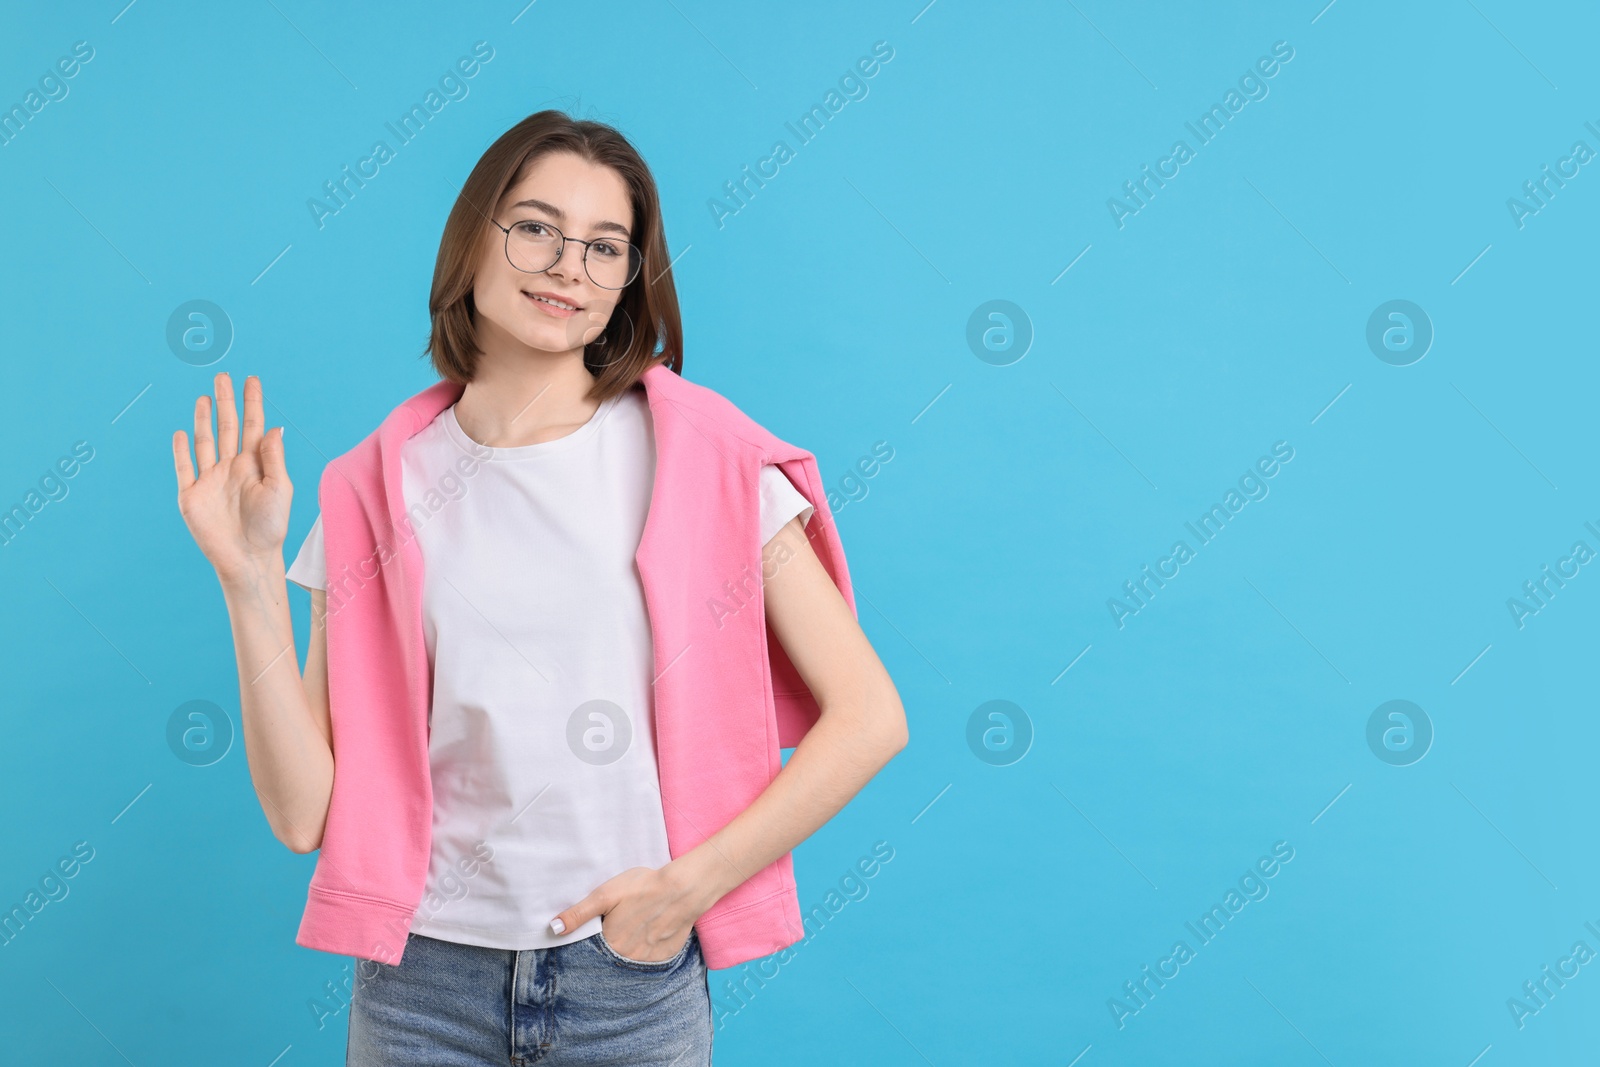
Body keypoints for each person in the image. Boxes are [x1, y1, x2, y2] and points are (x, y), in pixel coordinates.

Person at [170, 109, 908, 1065]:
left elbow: (870, 716)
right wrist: (249, 579)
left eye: (606, 248)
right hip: (421, 991)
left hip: (627, 983)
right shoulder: (374, 488)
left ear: (627, 284)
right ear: (473, 238)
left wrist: (685, 891)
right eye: (536, 227)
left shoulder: (705, 461)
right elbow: (304, 811)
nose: (569, 266)